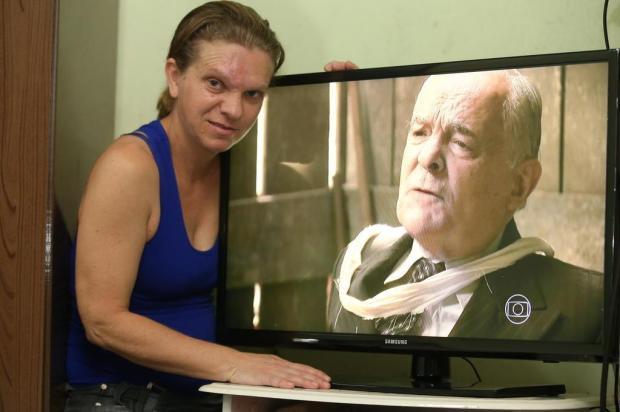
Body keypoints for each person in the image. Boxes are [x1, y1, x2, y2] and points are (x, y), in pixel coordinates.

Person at [63, 2, 358, 411]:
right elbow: (102, 322)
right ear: (175, 76)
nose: (234, 110)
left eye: (252, 94)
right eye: (216, 84)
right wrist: (237, 364)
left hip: (198, 394)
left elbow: (316, 173)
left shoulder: (231, 166)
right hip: (117, 396)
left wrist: (340, 98)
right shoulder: (129, 167)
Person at [327, 69, 603, 342]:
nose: (427, 157)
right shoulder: (352, 267)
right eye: (420, 132)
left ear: (519, 184)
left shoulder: (589, 310)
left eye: (461, 142)